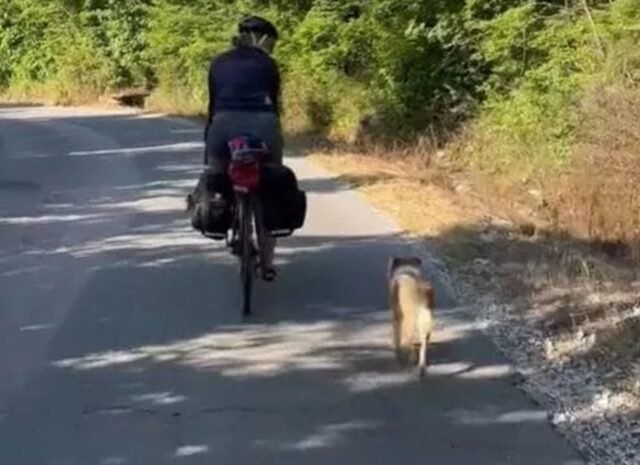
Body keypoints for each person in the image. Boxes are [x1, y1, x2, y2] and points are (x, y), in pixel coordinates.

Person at [204, 16, 282, 281]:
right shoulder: (268, 64)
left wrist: (210, 141)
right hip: (264, 124)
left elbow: (213, 106)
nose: (271, 47)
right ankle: (268, 262)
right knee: (271, 183)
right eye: (270, 41)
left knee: (219, 175)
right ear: (261, 39)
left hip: (223, 125)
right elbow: (275, 104)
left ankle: (224, 214)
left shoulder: (218, 62)